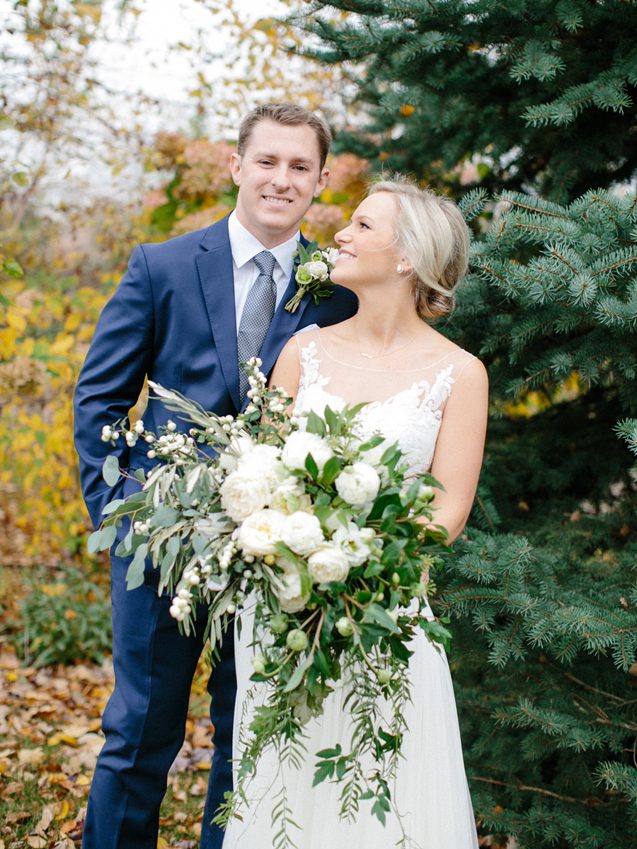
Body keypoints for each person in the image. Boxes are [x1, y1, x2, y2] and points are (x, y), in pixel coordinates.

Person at [73, 103, 358, 849]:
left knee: (250, 732)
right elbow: (101, 396)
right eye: (267, 160)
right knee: (138, 729)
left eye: (300, 167)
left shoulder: (338, 290)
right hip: (161, 544)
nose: (281, 179)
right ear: (235, 166)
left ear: (321, 181)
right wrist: (118, 512)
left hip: (279, 550)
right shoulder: (160, 265)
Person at [222, 177, 489, 848]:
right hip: (287, 610)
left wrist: (349, 546)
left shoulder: (459, 372)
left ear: (407, 257)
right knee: (286, 783)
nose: (339, 233)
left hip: (383, 612)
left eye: (363, 225)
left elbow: (449, 510)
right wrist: (296, 545)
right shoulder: (301, 350)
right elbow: (261, 474)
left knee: (384, 788)